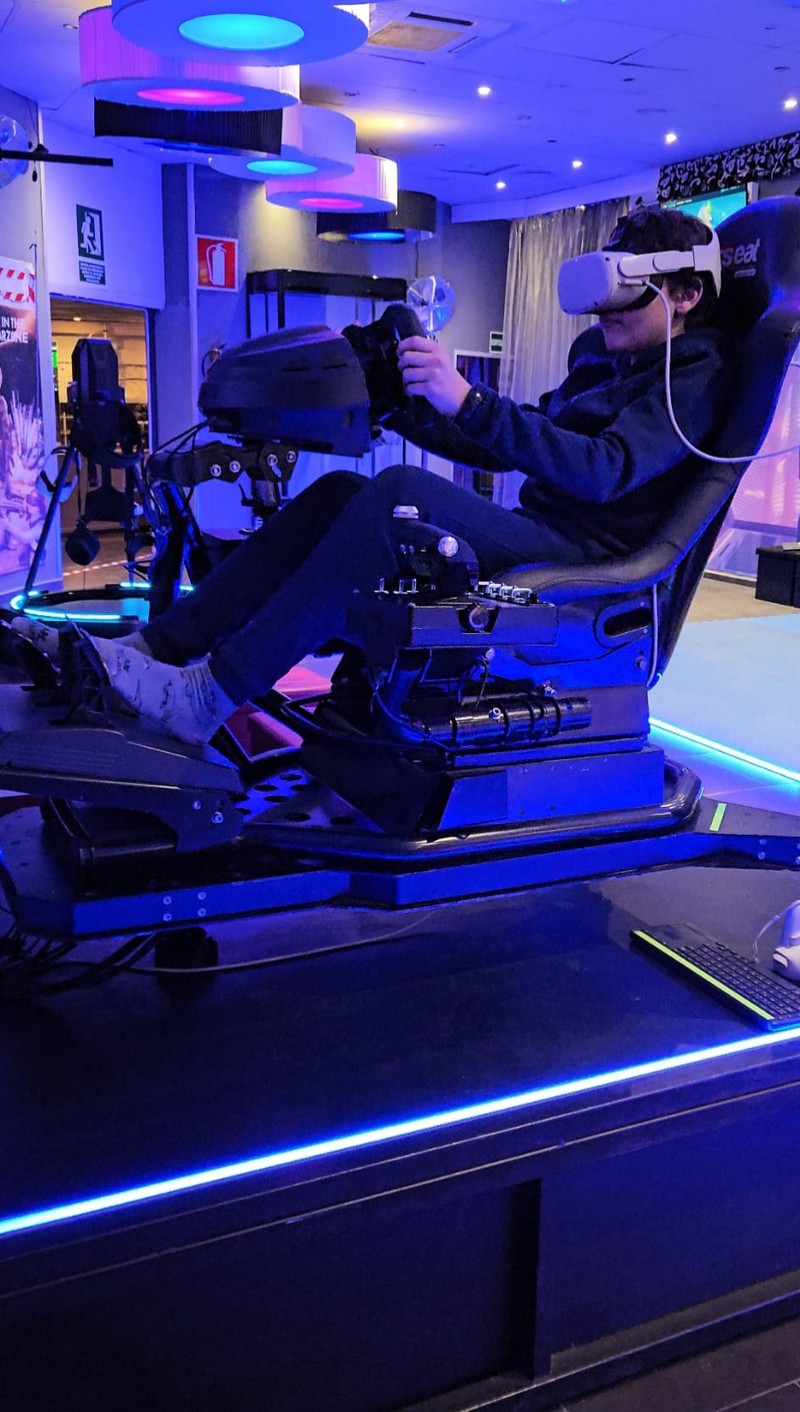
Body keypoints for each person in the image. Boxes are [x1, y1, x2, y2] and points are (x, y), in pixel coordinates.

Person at [13, 206, 735, 746]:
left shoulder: (697, 375)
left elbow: (603, 473)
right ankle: (160, 649)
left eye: (627, 295)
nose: (606, 312)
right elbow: (515, 446)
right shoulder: (604, 360)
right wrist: (406, 405)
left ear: (685, 296)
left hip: (587, 565)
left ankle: (210, 694)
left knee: (398, 496)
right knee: (340, 492)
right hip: (540, 532)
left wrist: (470, 400)